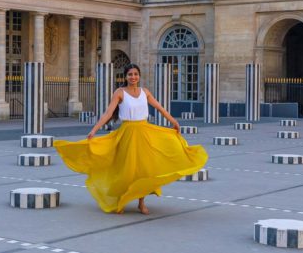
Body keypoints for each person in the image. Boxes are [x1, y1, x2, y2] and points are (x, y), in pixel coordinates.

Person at [53, 63, 208, 215]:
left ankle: (141, 203)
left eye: (135, 74)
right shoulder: (120, 92)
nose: (133, 77)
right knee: (125, 168)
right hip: (127, 134)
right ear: (125, 77)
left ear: (139, 76)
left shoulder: (145, 92)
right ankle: (121, 200)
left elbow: (160, 108)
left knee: (143, 169)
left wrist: (174, 121)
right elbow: (108, 113)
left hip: (144, 133)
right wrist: (94, 130)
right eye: (130, 74)